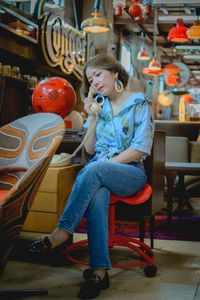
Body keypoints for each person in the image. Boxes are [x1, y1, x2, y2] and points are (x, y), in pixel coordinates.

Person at [28, 54, 154, 299]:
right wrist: (93, 118)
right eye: (90, 78)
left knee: (94, 170)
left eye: (98, 74)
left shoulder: (140, 103)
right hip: (100, 174)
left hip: (131, 174)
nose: (94, 82)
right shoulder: (101, 105)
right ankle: (99, 272)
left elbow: (139, 149)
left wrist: (102, 166)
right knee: (98, 192)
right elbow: (89, 149)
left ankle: (61, 233)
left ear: (115, 72)